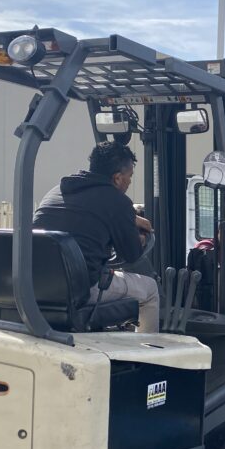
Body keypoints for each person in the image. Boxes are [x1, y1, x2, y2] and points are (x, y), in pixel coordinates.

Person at [34, 141, 160, 333]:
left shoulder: (58, 190)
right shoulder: (117, 202)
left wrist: (129, 218)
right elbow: (132, 254)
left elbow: (83, 215)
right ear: (117, 178)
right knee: (150, 290)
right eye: (129, 177)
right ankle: (151, 357)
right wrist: (141, 237)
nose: (129, 182)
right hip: (81, 288)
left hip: (37, 284)